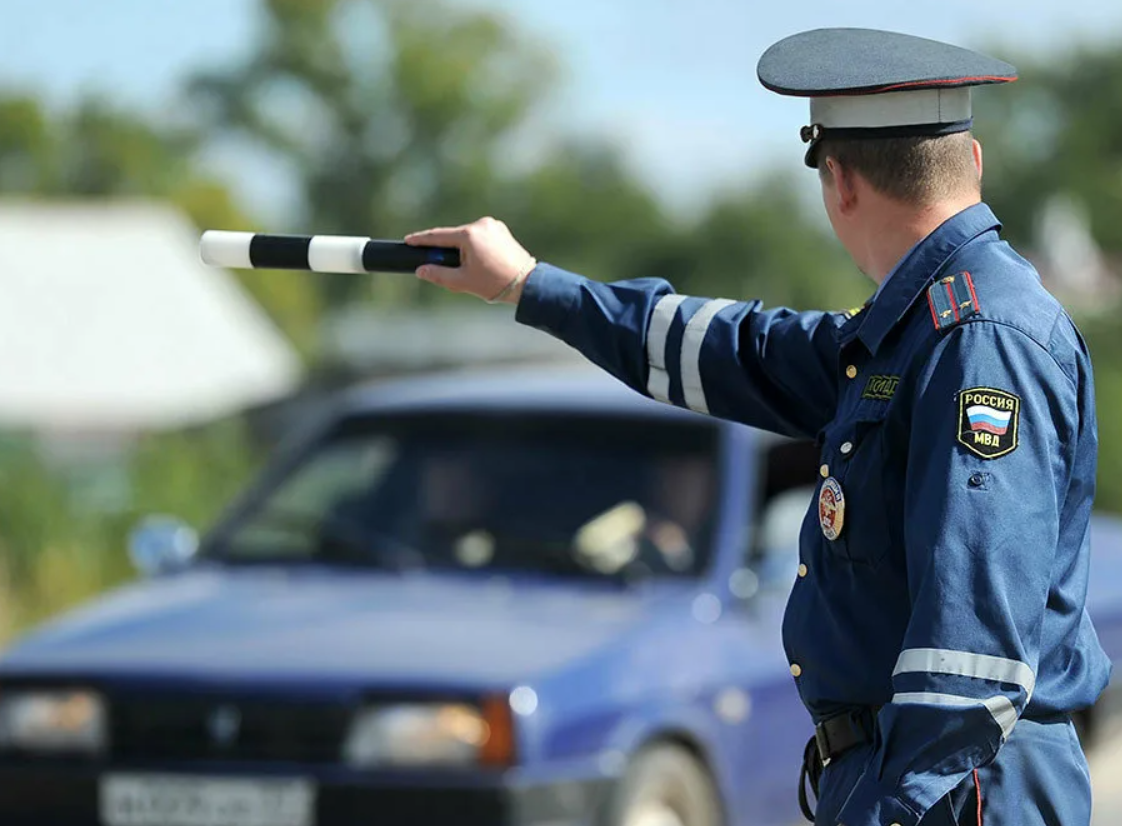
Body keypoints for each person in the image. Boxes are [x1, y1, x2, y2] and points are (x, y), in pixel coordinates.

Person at [404, 28, 1110, 826]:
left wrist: (891, 808)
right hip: (925, 781)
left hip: (952, 790)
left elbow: (971, 654)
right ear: (971, 162)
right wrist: (530, 285)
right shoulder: (913, 330)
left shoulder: (975, 338)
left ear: (838, 181)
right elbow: (733, 348)